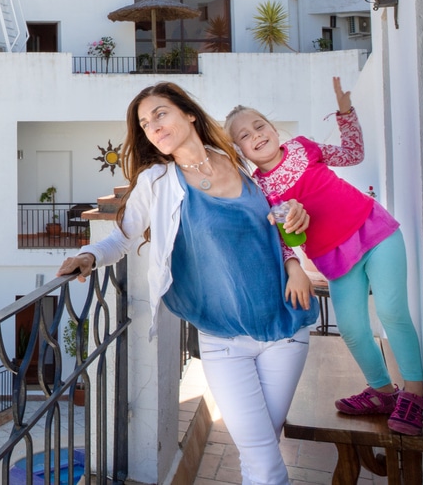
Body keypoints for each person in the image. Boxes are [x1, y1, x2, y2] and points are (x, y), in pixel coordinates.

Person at [58, 82, 319, 485]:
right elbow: (123, 238)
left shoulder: (239, 159)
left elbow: (278, 218)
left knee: (260, 450)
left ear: (189, 114)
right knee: (266, 463)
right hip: (223, 340)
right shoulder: (158, 182)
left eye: (160, 113)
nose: (153, 126)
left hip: (286, 328)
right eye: (145, 124)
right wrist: (89, 256)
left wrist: (294, 224)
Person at [226, 77, 423, 436]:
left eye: (259, 125)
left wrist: (345, 112)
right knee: (350, 329)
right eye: (244, 135)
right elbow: (284, 239)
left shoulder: (303, 147)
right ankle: (383, 392)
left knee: (392, 312)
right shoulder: (260, 190)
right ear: (240, 150)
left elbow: (353, 154)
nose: (255, 134)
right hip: (335, 260)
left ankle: (415, 393)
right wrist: (295, 267)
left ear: (273, 128)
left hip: (375, 232)